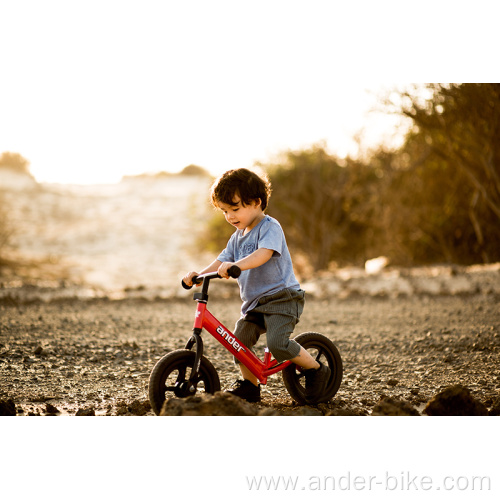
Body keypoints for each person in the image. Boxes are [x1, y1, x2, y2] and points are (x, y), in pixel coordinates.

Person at [182, 168, 330, 403]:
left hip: (282, 298)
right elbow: (220, 260)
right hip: (254, 304)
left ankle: (315, 369)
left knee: (278, 344)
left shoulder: (270, 227)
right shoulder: (237, 237)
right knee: (238, 342)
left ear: (256, 202)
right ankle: (250, 386)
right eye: (225, 211)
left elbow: (263, 254)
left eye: (235, 209)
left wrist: (237, 265)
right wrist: (199, 275)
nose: (230, 216)